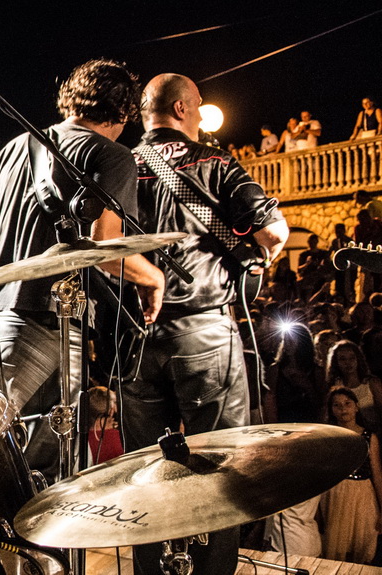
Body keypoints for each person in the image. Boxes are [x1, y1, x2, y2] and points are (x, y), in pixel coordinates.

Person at [0, 59, 165, 483]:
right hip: (51, 322)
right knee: (43, 465)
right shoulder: (111, 156)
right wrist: (153, 277)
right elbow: (104, 249)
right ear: (125, 111)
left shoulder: (15, 147)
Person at [124, 73, 289, 575]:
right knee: (219, 465)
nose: (198, 116)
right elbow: (272, 231)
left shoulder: (119, 165)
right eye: (197, 106)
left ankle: (151, 569)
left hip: (132, 338)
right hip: (204, 332)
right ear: (181, 108)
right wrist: (259, 260)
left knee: (144, 469)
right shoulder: (214, 162)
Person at [318, 387, 382, 564]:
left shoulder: (369, 437)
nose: (343, 409)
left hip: (362, 495)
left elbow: (377, 473)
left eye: (347, 403)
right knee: (336, 546)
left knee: (362, 543)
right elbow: (322, 473)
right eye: (337, 405)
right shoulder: (328, 437)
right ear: (331, 410)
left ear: (356, 406)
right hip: (335, 494)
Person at [325, 339, 382, 432]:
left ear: (358, 359)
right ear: (336, 362)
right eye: (343, 359)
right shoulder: (335, 385)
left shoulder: (372, 383)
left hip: (372, 432)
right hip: (345, 433)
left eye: (352, 358)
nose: (348, 363)